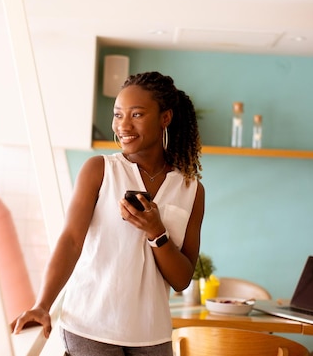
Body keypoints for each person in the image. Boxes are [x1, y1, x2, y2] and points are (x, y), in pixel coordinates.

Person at [11, 71, 205, 356]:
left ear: (165, 118)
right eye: (118, 114)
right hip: (90, 326)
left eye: (136, 114)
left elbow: (181, 280)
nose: (123, 125)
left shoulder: (191, 190)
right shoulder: (99, 170)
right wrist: (42, 305)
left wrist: (156, 232)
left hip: (152, 334)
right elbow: (71, 241)